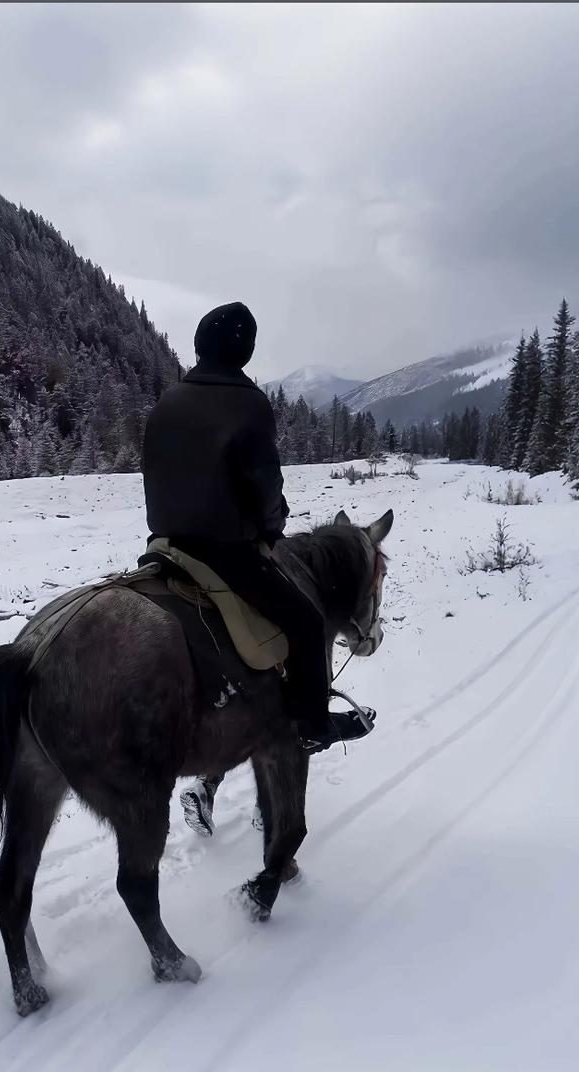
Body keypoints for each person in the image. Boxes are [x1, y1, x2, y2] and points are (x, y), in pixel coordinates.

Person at [141, 302, 375, 832]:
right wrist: (271, 529)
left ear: (200, 345)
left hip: (163, 547)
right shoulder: (248, 404)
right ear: (243, 350)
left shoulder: (169, 399)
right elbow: (265, 485)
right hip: (226, 553)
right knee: (305, 622)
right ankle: (312, 725)